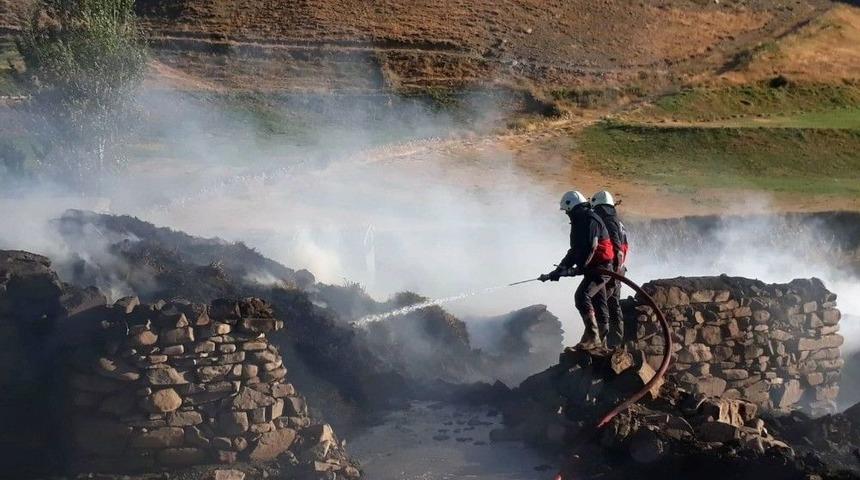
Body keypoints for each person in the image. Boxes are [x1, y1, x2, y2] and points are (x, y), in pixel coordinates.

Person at [540, 190, 615, 348]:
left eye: (567, 211)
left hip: (602, 267)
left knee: (582, 297)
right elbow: (574, 251)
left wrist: (579, 268)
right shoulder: (579, 222)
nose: (567, 214)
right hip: (595, 267)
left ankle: (594, 338)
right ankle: (599, 343)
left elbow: (591, 247)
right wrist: (560, 269)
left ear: (572, 207)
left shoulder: (590, 219)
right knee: (599, 304)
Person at [591, 191, 628, 349]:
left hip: (611, 270)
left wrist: (613, 271)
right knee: (614, 305)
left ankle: (601, 344)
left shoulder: (607, 220)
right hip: (618, 270)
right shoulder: (617, 221)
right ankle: (616, 344)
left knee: (600, 303)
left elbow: (617, 249)